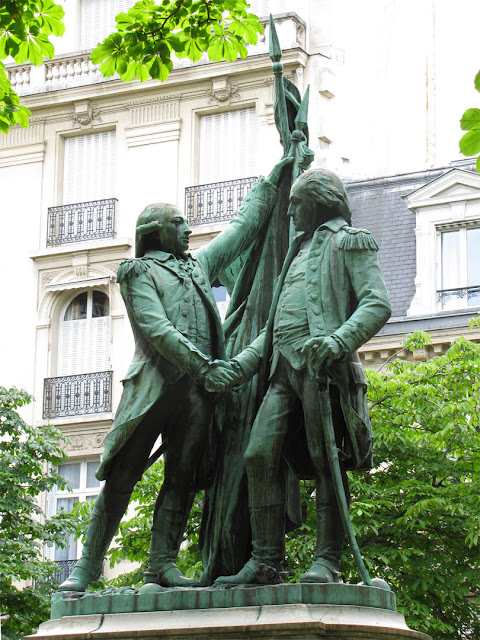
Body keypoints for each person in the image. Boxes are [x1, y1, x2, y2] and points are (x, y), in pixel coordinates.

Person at [58, 157, 292, 593]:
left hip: (197, 397)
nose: (188, 231)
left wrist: (277, 175)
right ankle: (87, 569)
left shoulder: (198, 265)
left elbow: (241, 228)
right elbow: (155, 329)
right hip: (154, 389)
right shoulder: (137, 271)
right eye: (180, 224)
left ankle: (160, 566)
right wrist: (205, 367)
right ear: (157, 230)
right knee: (122, 478)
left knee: (183, 479)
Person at [216, 168, 392, 586]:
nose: (290, 210)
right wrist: (238, 366)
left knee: (326, 461)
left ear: (318, 201)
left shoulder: (350, 241)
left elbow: (376, 303)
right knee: (258, 456)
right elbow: (273, 327)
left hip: (325, 371)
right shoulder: (295, 252)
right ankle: (264, 561)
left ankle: (327, 561)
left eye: (296, 202)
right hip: (282, 369)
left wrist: (338, 340)